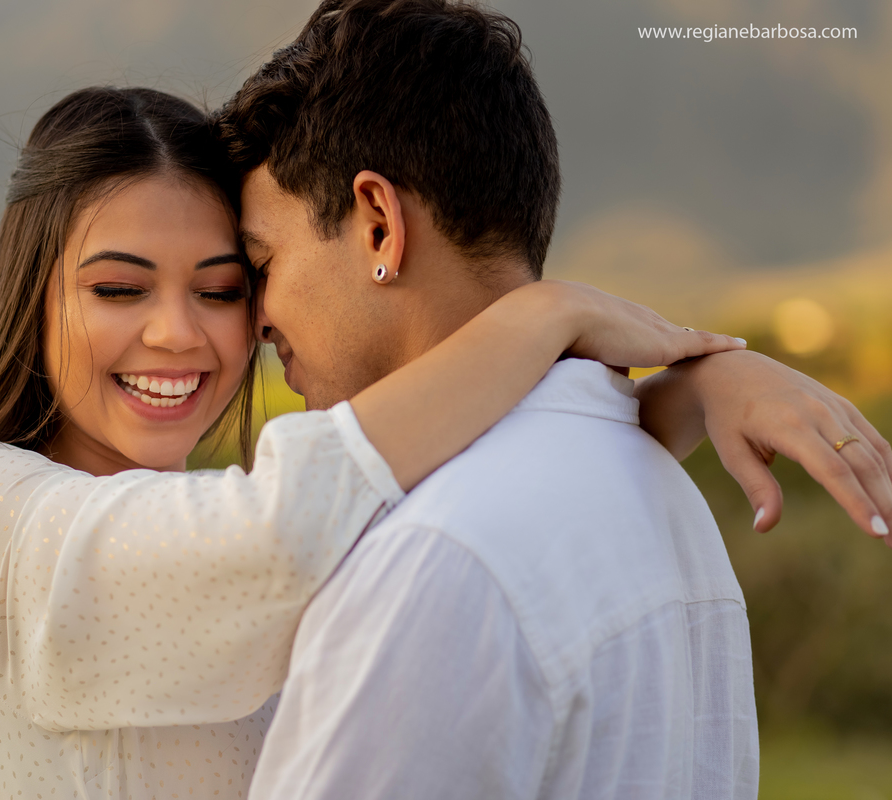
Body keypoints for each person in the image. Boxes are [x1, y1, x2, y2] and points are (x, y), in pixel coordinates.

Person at [0, 87, 891, 800]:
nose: (178, 334)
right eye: (119, 288)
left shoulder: (253, 508)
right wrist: (544, 313)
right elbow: (283, 528)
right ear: (32, 298)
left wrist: (696, 383)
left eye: (226, 286)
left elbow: (469, 490)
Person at [212, 2, 892, 798]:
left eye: (264, 263)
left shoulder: (440, 558)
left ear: (377, 225)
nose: (255, 317)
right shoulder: (667, 499)